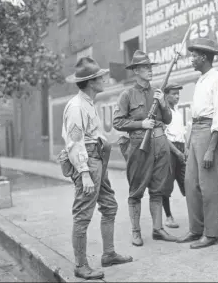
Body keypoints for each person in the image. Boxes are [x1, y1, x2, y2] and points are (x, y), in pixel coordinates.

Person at [61, 57, 132, 280]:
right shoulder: (76, 106)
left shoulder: (88, 103)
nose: (105, 79)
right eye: (101, 77)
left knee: (109, 205)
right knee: (83, 215)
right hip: (87, 162)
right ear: (91, 82)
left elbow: (93, 134)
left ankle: (108, 254)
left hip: (97, 159)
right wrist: (84, 173)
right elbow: (74, 141)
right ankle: (81, 266)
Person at [113, 50, 177, 247]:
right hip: (139, 146)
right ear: (136, 71)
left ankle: (158, 229)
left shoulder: (157, 92)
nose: (149, 71)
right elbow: (117, 122)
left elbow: (167, 119)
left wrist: (164, 103)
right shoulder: (127, 95)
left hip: (159, 143)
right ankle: (136, 231)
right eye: (145, 68)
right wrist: (140, 125)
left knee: (158, 189)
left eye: (150, 68)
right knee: (136, 190)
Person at [176, 38, 218, 249]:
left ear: (204, 57)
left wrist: (211, 148)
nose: (191, 60)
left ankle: (211, 234)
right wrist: (189, 141)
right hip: (196, 131)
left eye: (194, 56)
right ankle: (196, 229)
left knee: (208, 186)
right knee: (191, 184)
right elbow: (195, 116)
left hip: (208, 132)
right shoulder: (201, 80)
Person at [162, 83, 187, 228]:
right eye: (173, 94)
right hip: (170, 150)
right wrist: (176, 152)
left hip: (180, 149)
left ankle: (201, 213)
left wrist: (184, 150)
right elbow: (163, 137)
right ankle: (168, 216)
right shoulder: (164, 112)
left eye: (178, 94)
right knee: (166, 185)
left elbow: (182, 133)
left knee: (188, 182)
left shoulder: (177, 112)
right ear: (166, 95)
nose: (177, 96)